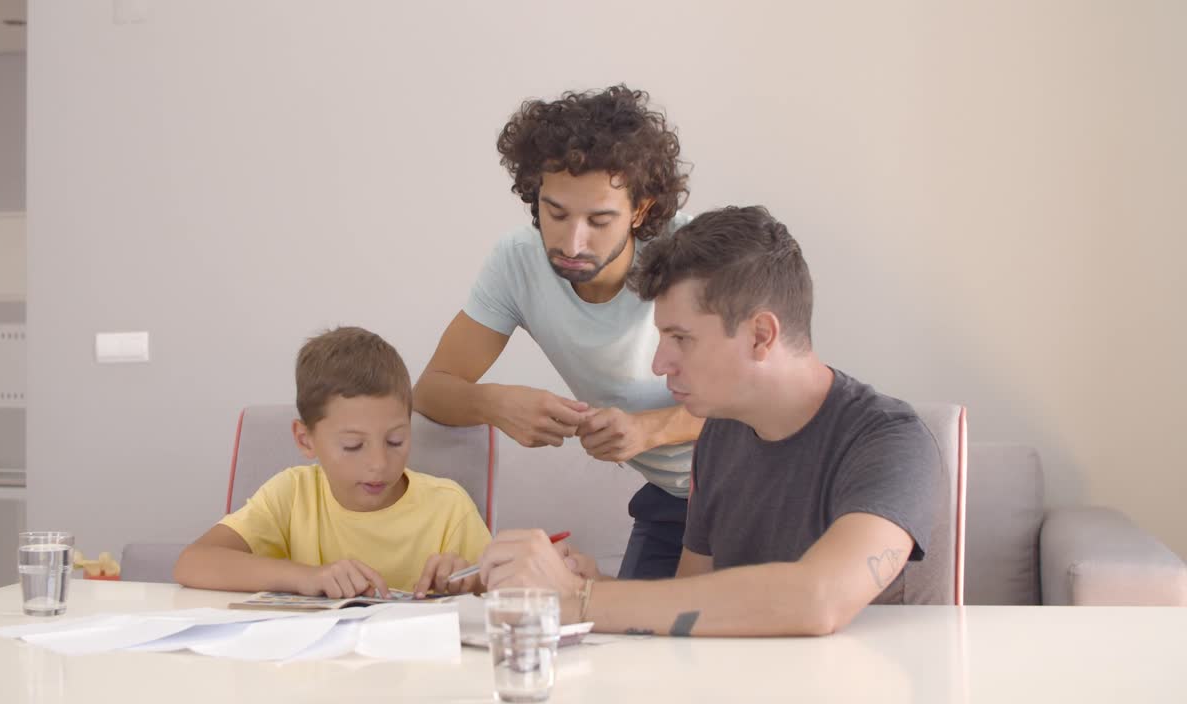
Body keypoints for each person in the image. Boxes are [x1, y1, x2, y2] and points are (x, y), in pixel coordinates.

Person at [479, 206, 941, 636]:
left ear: (761, 335)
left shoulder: (891, 441)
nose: (660, 364)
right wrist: (589, 582)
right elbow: (686, 606)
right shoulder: (720, 434)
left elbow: (818, 599)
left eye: (681, 338)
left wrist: (583, 600)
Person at [413, 85, 701, 579]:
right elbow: (431, 389)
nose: (572, 241)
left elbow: (765, 397)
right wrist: (496, 404)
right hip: (671, 502)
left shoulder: (693, 252)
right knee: (628, 639)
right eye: (556, 213)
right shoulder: (517, 263)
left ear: (640, 210)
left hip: (754, 483)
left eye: (600, 219)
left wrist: (647, 429)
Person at [173, 327, 491, 599]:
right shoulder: (291, 494)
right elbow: (193, 562)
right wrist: (307, 577)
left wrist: (472, 580)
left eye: (395, 440)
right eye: (353, 446)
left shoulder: (449, 507)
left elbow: (506, 592)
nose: (379, 464)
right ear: (305, 439)